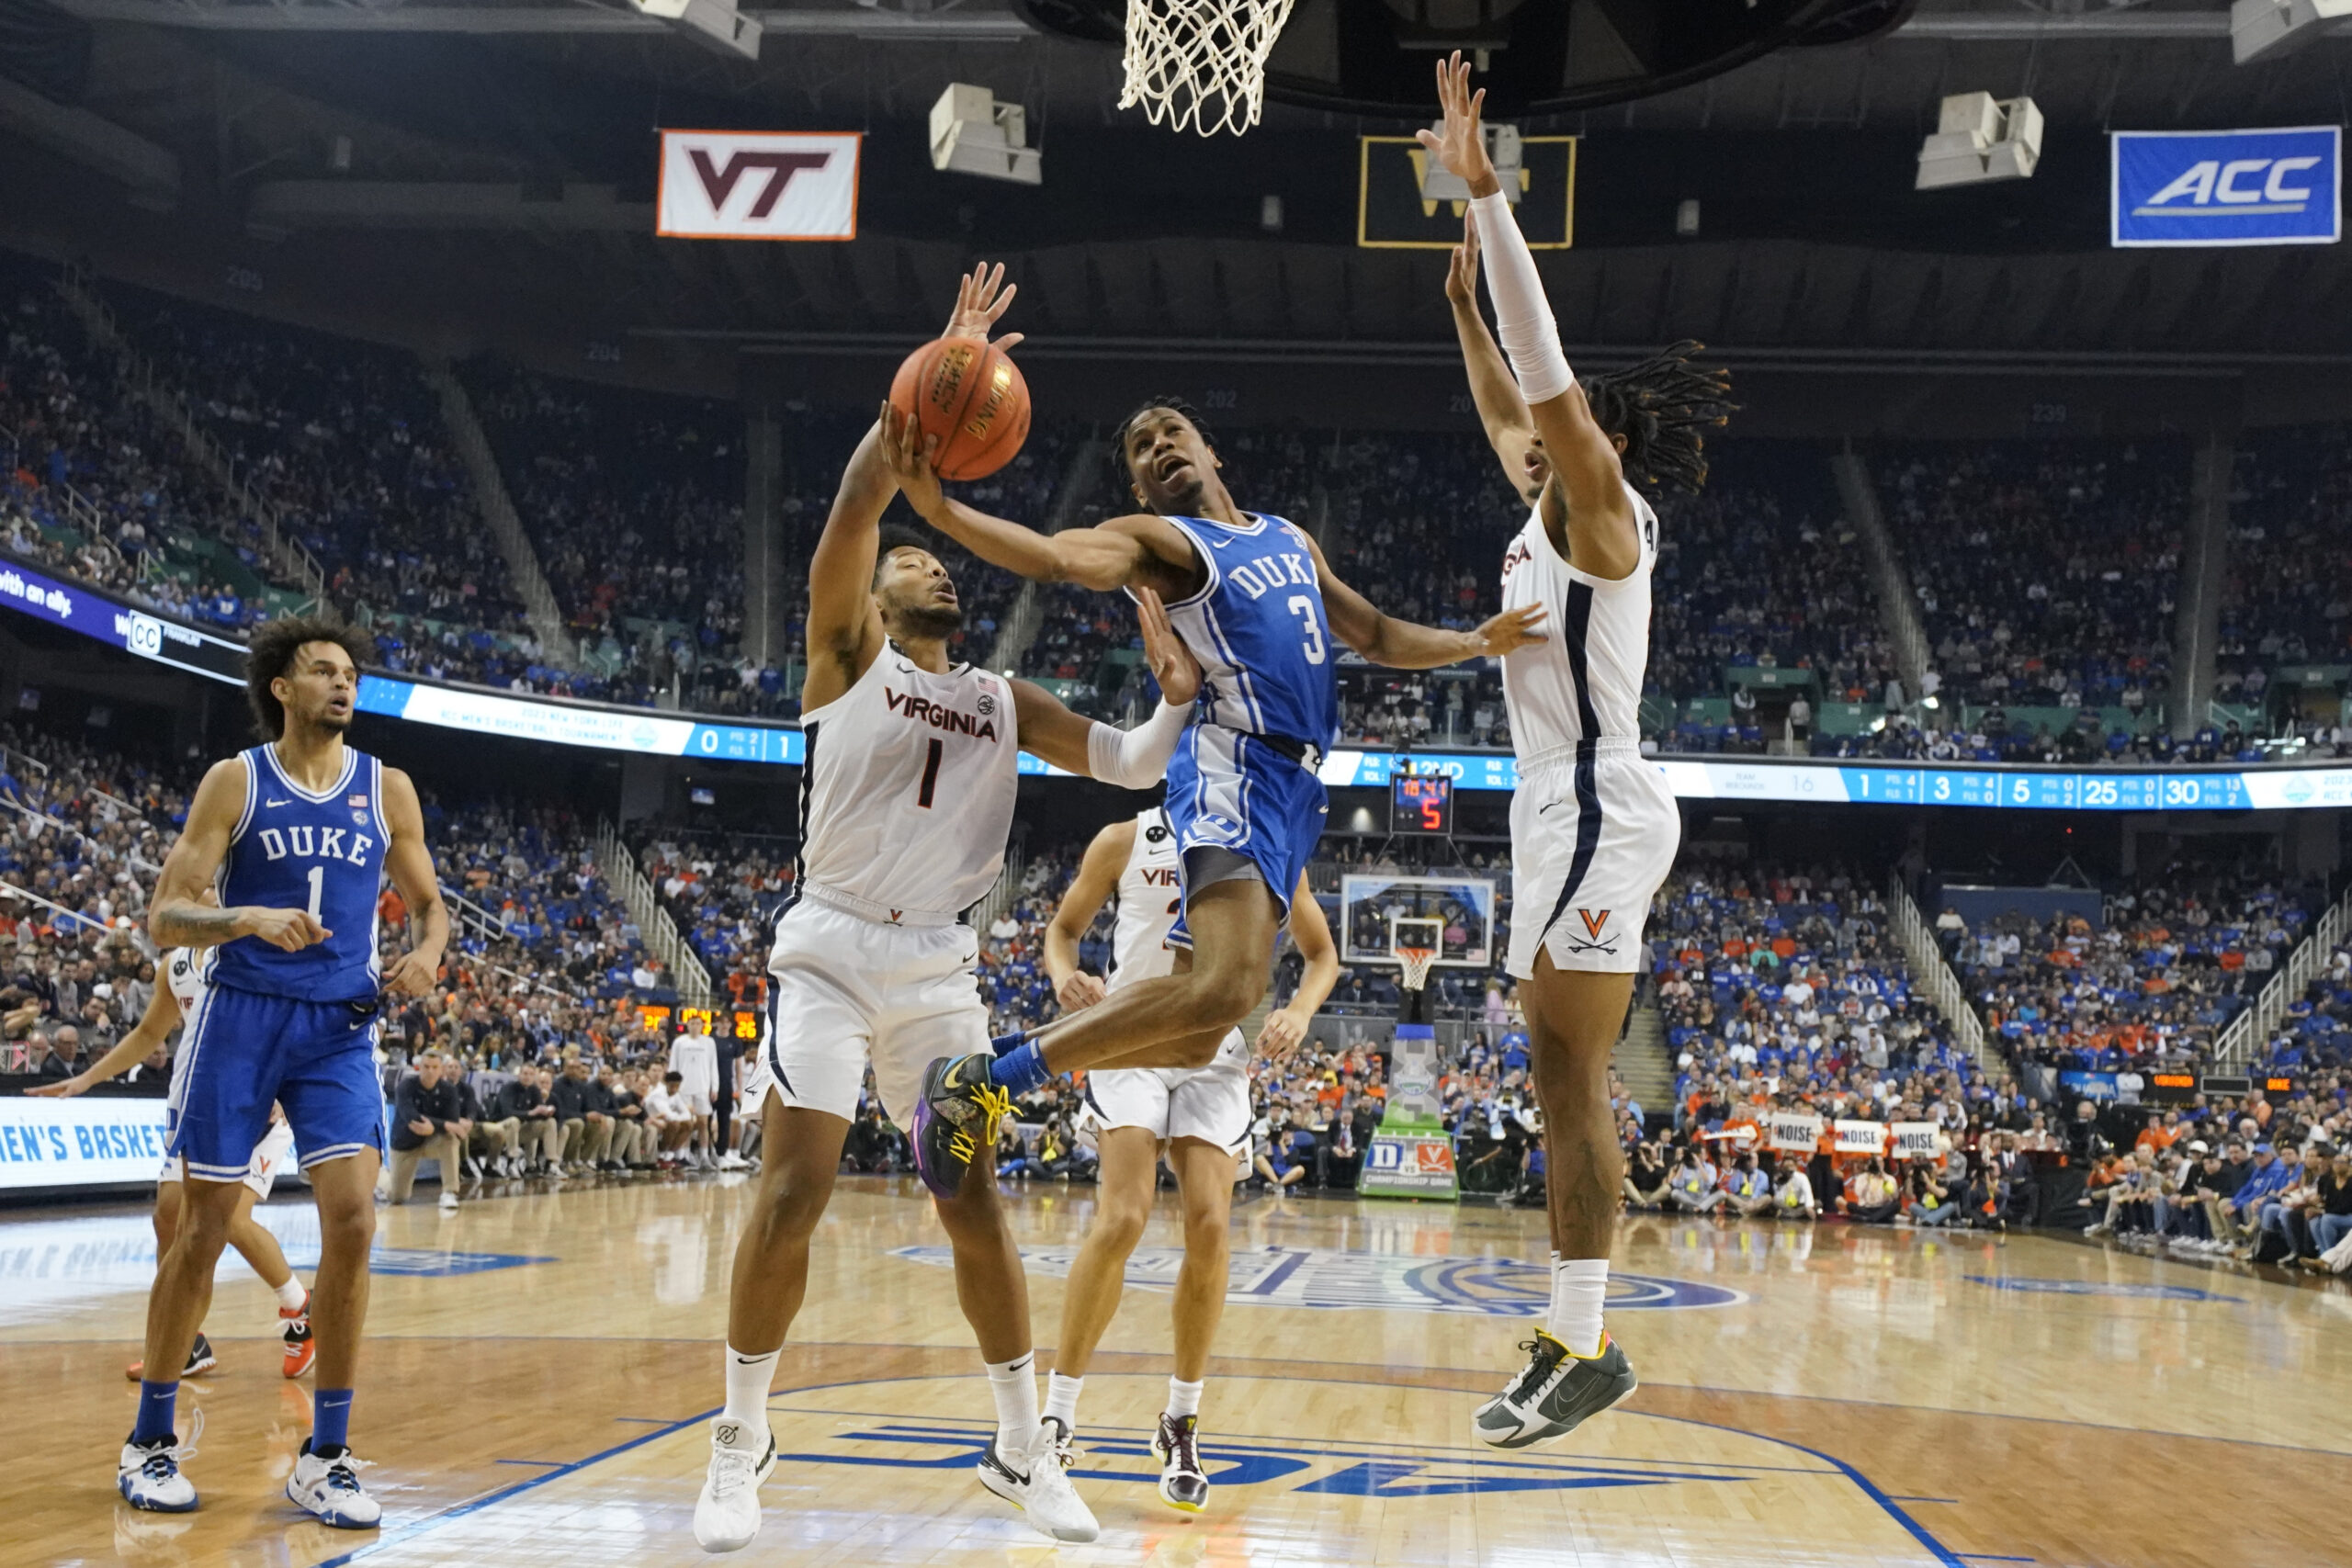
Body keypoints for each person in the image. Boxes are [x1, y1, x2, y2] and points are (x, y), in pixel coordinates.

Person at [694, 265, 1208, 1554]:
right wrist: (935, 378)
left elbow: (1132, 765)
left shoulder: (1002, 696)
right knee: (794, 1188)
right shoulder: (842, 653)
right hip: (826, 947)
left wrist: (1175, 695)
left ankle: (1023, 1446)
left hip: (937, 972)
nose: (931, 566)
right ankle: (740, 1436)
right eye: (915, 558)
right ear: (876, 598)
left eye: (936, 557)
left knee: (965, 1193)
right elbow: (865, 499)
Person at [879, 292, 1544, 1205]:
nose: (1157, 447)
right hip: (1233, 760)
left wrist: (1473, 641)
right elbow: (1057, 556)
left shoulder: (1286, 537)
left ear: (1209, 449)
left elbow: (1379, 636)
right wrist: (942, 513)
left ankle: (989, 1078)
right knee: (1227, 986)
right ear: (1143, 492)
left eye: (1169, 432)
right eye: (1141, 451)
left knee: (1207, 1023)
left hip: (1294, 791)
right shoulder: (1166, 544)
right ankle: (982, 1084)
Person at [1425, 51, 1731, 1452]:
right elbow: (1508, 404)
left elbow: (1542, 384)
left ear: (1597, 440)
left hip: (1606, 802)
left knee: (1582, 1076)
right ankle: (1570, 1332)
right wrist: (1461, 315)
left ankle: (1588, 1337)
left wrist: (1490, 211)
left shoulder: (1605, 508)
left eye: (1559, 434)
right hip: (1551, 808)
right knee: (1554, 1073)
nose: (1535, 443)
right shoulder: (1546, 500)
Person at [118, 615, 447, 1528]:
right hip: (242, 1015)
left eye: (350, 674)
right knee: (202, 1224)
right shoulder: (237, 780)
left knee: (353, 1219)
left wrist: (427, 953)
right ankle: (148, 1442)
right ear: (281, 688)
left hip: (340, 1022)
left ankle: (328, 1456)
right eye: (323, 672)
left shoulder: (388, 787)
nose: (344, 685)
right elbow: (166, 918)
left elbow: (431, 908)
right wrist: (246, 919)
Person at [1037, 805, 1339, 1514]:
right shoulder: (1123, 837)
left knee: (1209, 1227)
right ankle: (1056, 1417)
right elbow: (1062, 932)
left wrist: (1298, 1011)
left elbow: (1322, 952)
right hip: (1131, 1038)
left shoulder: (1264, 838)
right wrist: (1063, 976)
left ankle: (1180, 1419)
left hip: (1214, 1053)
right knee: (1124, 1217)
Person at [30, 933, 315, 1382]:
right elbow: (148, 1033)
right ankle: (187, 1341)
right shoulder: (176, 966)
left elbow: (294, 1026)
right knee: (168, 1217)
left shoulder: (259, 953)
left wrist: (286, 1085)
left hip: (256, 1106)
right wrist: (86, 1079)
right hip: (193, 1105)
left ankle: (300, 1311)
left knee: (229, 1222)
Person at [385, 1050, 468, 1210]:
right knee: (397, 1197)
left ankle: (449, 1193)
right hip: (405, 1143)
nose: (430, 1071)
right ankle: (382, 1177)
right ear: (418, 1067)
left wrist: (436, 1127)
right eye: (426, 1066)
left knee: (450, 1138)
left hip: (431, 1141)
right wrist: (443, 1125)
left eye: (434, 1067)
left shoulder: (449, 1090)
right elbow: (412, 1119)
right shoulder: (405, 1086)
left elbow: (452, 1121)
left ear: (441, 1069)